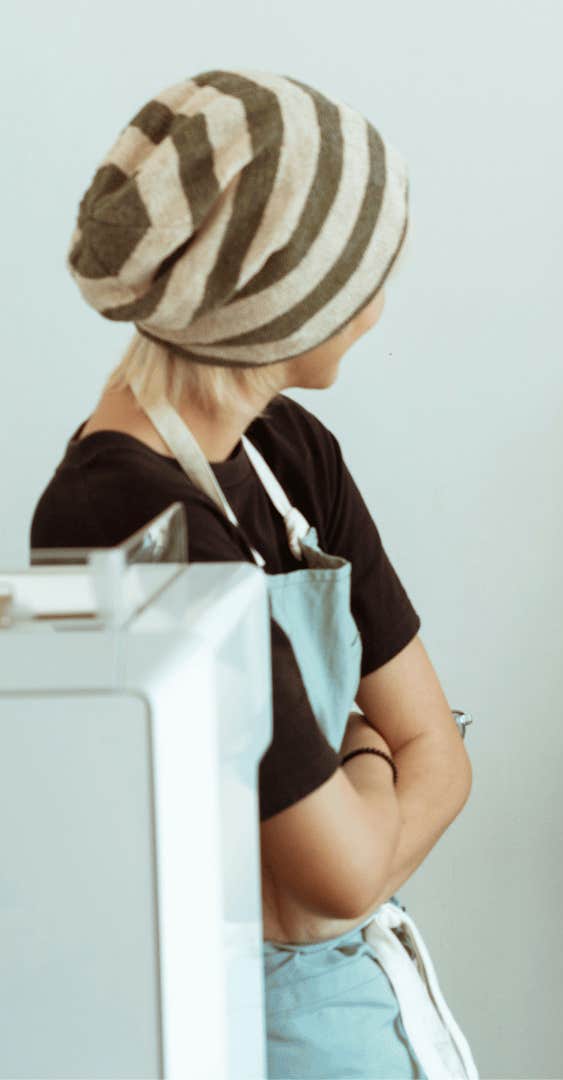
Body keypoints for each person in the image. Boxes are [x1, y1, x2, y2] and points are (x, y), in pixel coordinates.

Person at [33, 70, 477, 1079]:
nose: (375, 304)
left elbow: (443, 767)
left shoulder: (287, 451)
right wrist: (371, 753)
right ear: (274, 292)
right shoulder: (123, 516)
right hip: (241, 1036)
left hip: (373, 1005)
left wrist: (357, 809)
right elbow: (346, 863)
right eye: (356, 273)